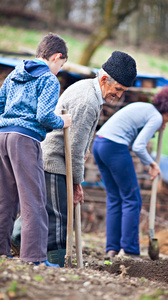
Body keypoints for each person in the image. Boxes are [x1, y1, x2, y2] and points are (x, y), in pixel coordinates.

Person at [11, 50, 138, 267]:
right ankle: (56, 263)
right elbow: (76, 148)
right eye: (117, 90)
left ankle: (16, 238)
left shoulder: (91, 90)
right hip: (54, 160)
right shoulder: (88, 100)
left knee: (45, 208)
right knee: (60, 217)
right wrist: (77, 183)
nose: (118, 96)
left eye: (123, 92)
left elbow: (82, 140)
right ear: (105, 79)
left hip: (55, 159)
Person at [0, 33, 71, 267]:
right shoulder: (49, 80)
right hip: (25, 140)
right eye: (60, 65)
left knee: (6, 199)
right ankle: (35, 257)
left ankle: (2, 251)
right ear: (56, 57)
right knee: (34, 200)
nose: (59, 70)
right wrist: (63, 122)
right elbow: (43, 115)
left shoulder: (14, 74)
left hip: (2, 136)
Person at [92, 87, 168, 258]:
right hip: (114, 147)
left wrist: (155, 129)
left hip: (99, 144)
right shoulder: (155, 117)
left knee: (115, 198)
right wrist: (151, 164)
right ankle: (129, 250)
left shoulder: (146, 109)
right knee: (132, 199)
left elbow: (134, 136)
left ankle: (112, 248)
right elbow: (138, 146)